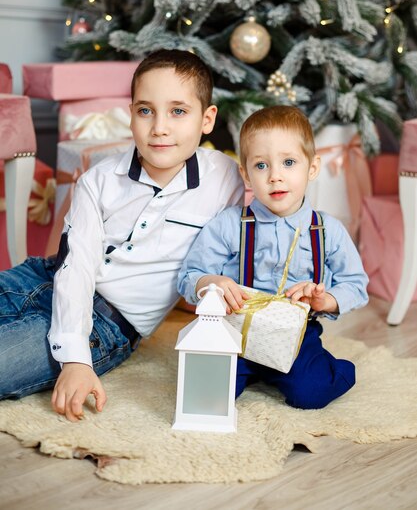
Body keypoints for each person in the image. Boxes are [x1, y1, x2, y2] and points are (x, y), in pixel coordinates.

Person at [0, 49, 244, 421]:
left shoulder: (227, 179)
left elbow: (268, 221)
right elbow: (75, 264)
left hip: (109, 324)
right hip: (41, 278)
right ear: (130, 114)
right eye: (146, 110)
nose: (159, 127)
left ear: (207, 119)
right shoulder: (98, 179)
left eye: (178, 111)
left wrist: (77, 359)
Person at [178, 105, 369, 409]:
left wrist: (325, 300)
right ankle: (251, 373)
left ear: (312, 168)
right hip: (236, 334)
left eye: (289, 162)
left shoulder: (327, 230)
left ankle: (330, 368)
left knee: (310, 393)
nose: (276, 177)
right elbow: (188, 276)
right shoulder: (230, 224)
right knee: (207, 395)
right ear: (246, 173)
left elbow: (356, 284)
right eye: (262, 165)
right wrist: (211, 281)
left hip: (295, 336)